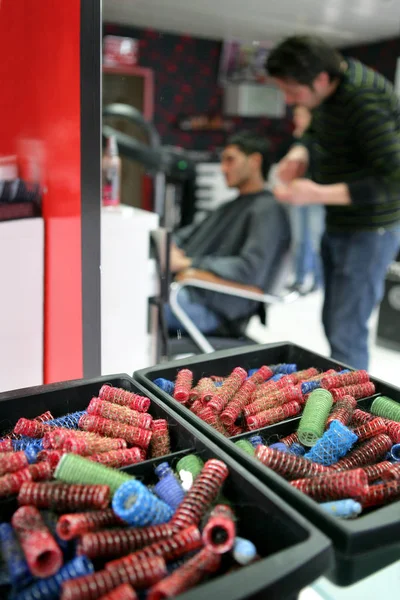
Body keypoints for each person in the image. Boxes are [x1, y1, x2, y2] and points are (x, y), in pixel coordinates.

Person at [266, 35, 400, 370]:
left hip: (370, 229)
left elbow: (394, 178)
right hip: (340, 222)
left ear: (321, 79)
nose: (288, 99)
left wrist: (317, 193)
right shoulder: (328, 93)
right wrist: (300, 152)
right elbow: (315, 131)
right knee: (332, 320)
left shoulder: (364, 101)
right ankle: (340, 396)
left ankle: (350, 414)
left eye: (293, 91)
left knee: (346, 330)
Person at [165, 131, 291, 334]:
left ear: (255, 161)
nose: (223, 168)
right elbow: (184, 237)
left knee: (137, 304)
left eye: (230, 160)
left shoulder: (268, 211)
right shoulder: (228, 207)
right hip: (189, 292)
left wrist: (190, 265)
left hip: (212, 308)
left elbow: (249, 269)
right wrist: (168, 246)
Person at [275, 106, 324, 293]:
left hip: (316, 195)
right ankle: (299, 277)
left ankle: (318, 281)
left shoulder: (321, 139)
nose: (297, 119)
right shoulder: (298, 139)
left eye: (300, 115)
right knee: (299, 239)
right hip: (298, 195)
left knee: (315, 240)